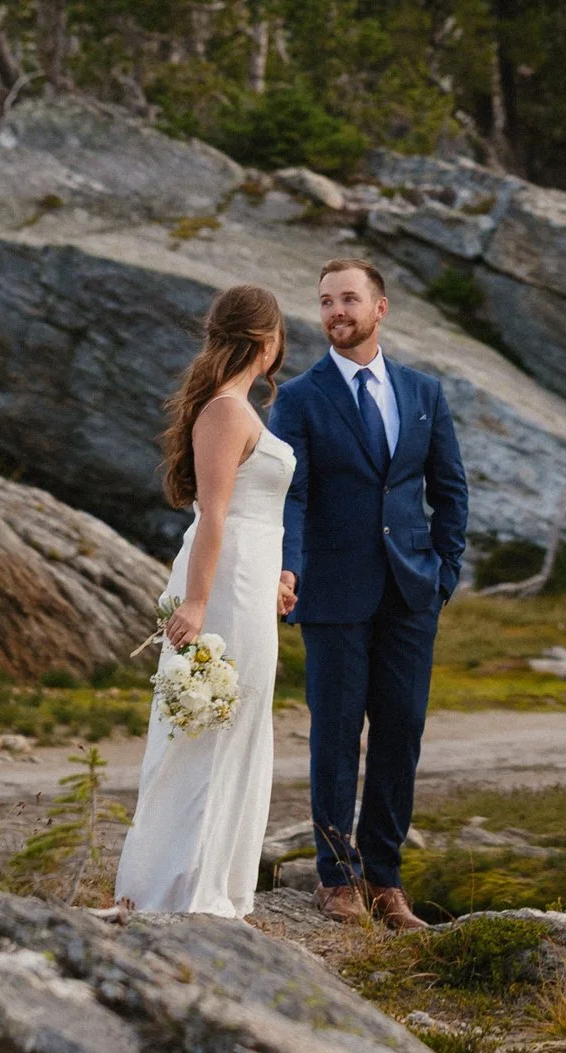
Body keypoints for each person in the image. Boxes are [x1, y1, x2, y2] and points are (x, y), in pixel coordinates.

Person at [273, 254, 470, 928]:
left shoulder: (423, 392)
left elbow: (449, 489)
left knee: (400, 733)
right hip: (330, 593)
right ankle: (337, 878)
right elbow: (289, 495)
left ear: (380, 307)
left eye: (349, 298)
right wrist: (287, 567)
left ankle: (386, 882)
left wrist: (446, 569)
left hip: (411, 590)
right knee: (334, 736)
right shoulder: (298, 397)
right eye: (326, 300)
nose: (336, 311)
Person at [115, 282, 294, 918]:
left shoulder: (239, 409)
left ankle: (215, 883)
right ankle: (175, 889)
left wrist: (273, 576)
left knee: (240, 724)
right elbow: (214, 516)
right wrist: (194, 603)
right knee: (203, 728)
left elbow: (252, 514)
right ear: (269, 343)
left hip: (248, 581)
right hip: (219, 587)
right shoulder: (223, 411)